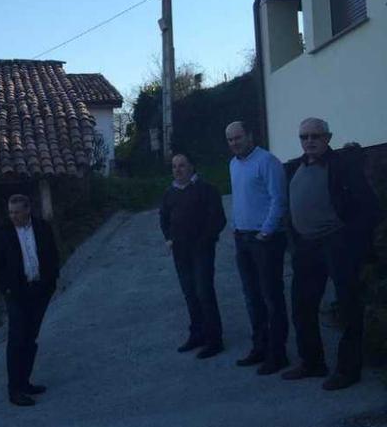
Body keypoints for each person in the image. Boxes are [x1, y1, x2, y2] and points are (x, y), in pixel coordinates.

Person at [281, 118, 383, 390]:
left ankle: (348, 370)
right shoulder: (295, 167)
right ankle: (312, 362)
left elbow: (370, 207)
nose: (310, 141)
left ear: (328, 137)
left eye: (316, 135)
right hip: (306, 247)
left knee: (349, 306)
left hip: (336, 245)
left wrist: (350, 239)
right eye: (304, 136)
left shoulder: (343, 166)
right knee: (302, 306)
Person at [225, 121, 290, 375]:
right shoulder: (233, 165)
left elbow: (279, 199)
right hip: (243, 238)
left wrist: (267, 230)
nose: (234, 143)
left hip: (265, 241)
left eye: (238, 138)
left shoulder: (268, 162)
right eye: (230, 140)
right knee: (252, 297)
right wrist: (236, 225)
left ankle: (278, 354)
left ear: (250, 135)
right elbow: (241, 199)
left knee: (271, 298)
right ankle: (260, 347)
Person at [0, 194, 60, 407]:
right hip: (17, 293)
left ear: (27, 210)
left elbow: (53, 255)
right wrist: (8, 290)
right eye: (10, 212)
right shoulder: (2, 234)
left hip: (39, 291)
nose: (13, 216)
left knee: (31, 338)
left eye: (17, 212)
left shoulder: (42, 228)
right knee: (17, 339)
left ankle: (25, 382)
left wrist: (51, 283)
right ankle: (14, 390)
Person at [159, 154, 227, 359]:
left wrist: (205, 241)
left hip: (202, 252)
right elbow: (164, 218)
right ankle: (197, 334)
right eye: (174, 167)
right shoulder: (169, 193)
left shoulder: (206, 190)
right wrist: (169, 238)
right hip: (180, 254)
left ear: (191, 167)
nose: (178, 170)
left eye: (182, 165)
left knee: (204, 293)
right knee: (190, 294)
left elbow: (218, 219)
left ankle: (215, 340)